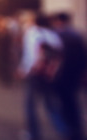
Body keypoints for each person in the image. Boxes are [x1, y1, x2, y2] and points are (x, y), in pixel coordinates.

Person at [17, 12, 66, 140]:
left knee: (30, 105)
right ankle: (63, 130)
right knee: (50, 105)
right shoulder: (53, 35)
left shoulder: (32, 33)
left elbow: (30, 56)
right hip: (48, 75)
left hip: (34, 75)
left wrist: (24, 70)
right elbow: (60, 55)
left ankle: (34, 134)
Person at [50, 12, 87, 140]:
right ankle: (77, 130)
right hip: (75, 75)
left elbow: (55, 57)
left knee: (65, 104)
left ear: (59, 21)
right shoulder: (77, 35)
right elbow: (83, 56)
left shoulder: (57, 36)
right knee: (73, 103)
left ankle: (72, 132)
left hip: (61, 76)